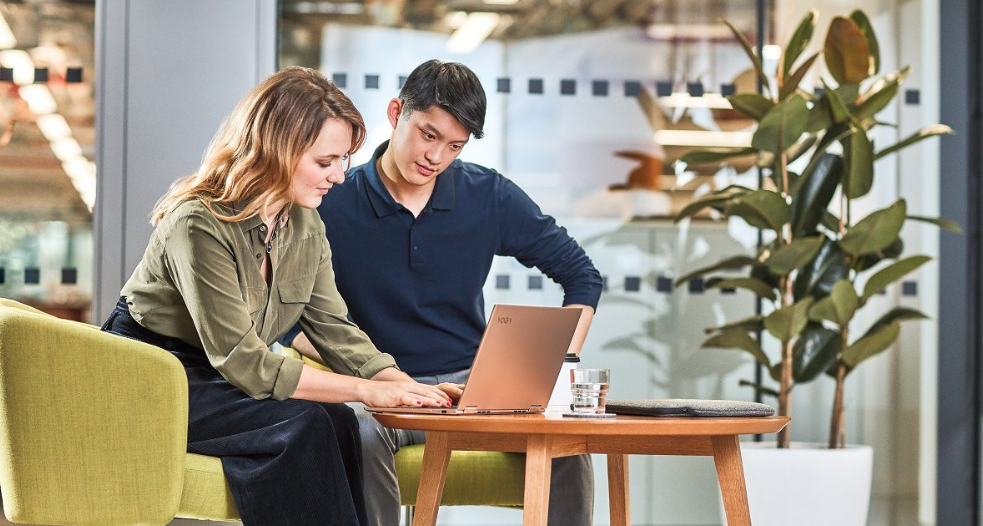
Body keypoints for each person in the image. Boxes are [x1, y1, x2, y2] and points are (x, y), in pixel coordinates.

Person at [101, 66, 455, 526]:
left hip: (218, 375)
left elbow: (334, 329)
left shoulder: (305, 224)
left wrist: (406, 388)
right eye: (325, 162)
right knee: (306, 425)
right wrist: (366, 390)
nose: (339, 176)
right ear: (276, 151)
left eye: (343, 160)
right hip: (156, 375)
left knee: (341, 422)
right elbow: (244, 361)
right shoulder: (198, 224)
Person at [281, 59, 603, 526]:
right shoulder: (330, 199)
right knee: (358, 432)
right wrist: (367, 371)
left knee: (564, 442)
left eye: (454, 146)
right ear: (396, 113)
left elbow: (581, 275)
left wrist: (561, 361)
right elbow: (285, 320)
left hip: (473, 390)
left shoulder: (488, 195)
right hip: (376, 389)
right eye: (428, 135)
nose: (435, 156)